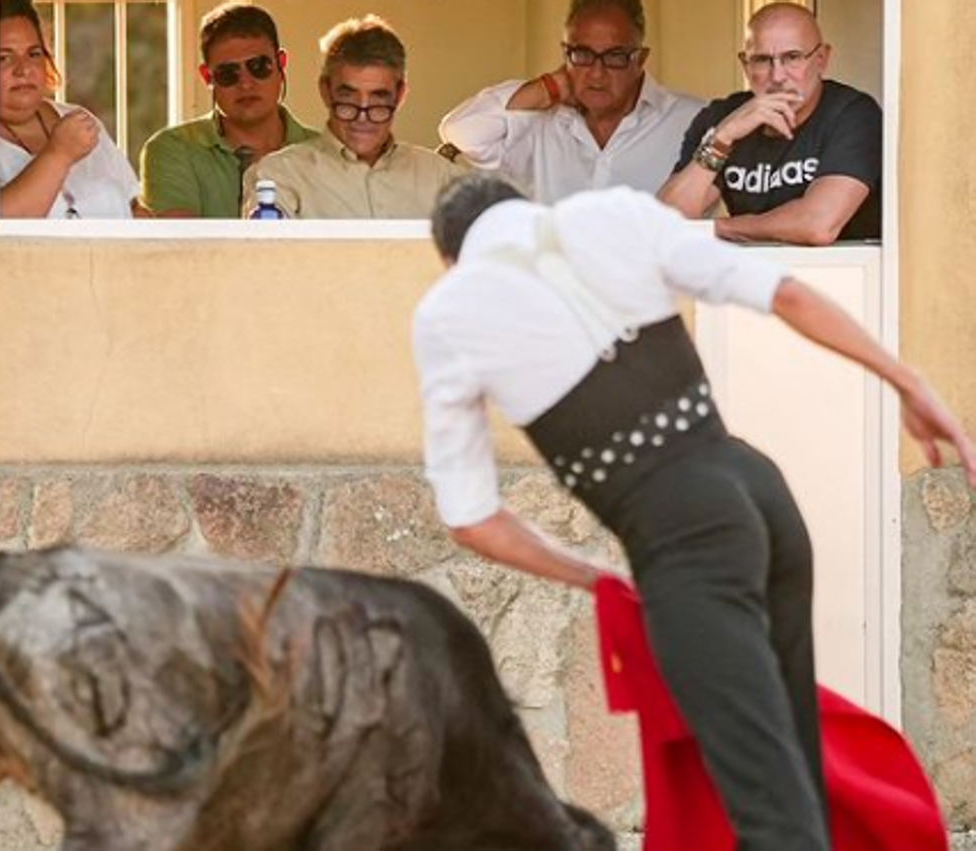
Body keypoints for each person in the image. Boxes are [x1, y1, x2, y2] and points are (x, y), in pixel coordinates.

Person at [413, 172, 976, 851]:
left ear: (451, 256)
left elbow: (472, 518)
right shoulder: (613, 215)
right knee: (793, 762)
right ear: (526, 209)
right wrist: (907, 382)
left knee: (770, 810)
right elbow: (788, 293)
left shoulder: (448, 313)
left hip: (683, 537)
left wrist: (594, 574)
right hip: (758, 490)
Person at [658, 2, 881, 245]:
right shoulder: (722, 117)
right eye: (762, 60)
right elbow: (665, 221)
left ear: (821, 60)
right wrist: (723, 137)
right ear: (745, 65)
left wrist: (716, 229)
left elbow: (817, 225)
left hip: (844, 277)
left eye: (792, 57)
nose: (777, 77)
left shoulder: (852, 113)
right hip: (755, 278)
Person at [436, 0, 702, 202]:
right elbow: (460, 131)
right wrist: (549, 86)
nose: (597, 74)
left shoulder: (692, 120)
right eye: (582, 53)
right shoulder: (538, 121)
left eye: (615, 56)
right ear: (565, 53)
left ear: (640, 59)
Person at [241, 15, 467, 219]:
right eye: (348, 98)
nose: (362, 116)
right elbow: (264, 259)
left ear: (400, 95)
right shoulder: (279, 175)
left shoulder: (440, 177)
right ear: (325, 91)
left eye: (378, 99)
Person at [139, 2, 316, 218]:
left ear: (281, 63)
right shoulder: (174, 149)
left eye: (259, 66)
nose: (246, 83)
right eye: (228, 73)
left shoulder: (323, 152)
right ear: (207, 77)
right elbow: (180, 248)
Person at [0, 0, 140, 219]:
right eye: (3, 58)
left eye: (34, 54)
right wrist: (58, 154)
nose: (23, 69)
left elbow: (134, 208)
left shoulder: (78, 118)